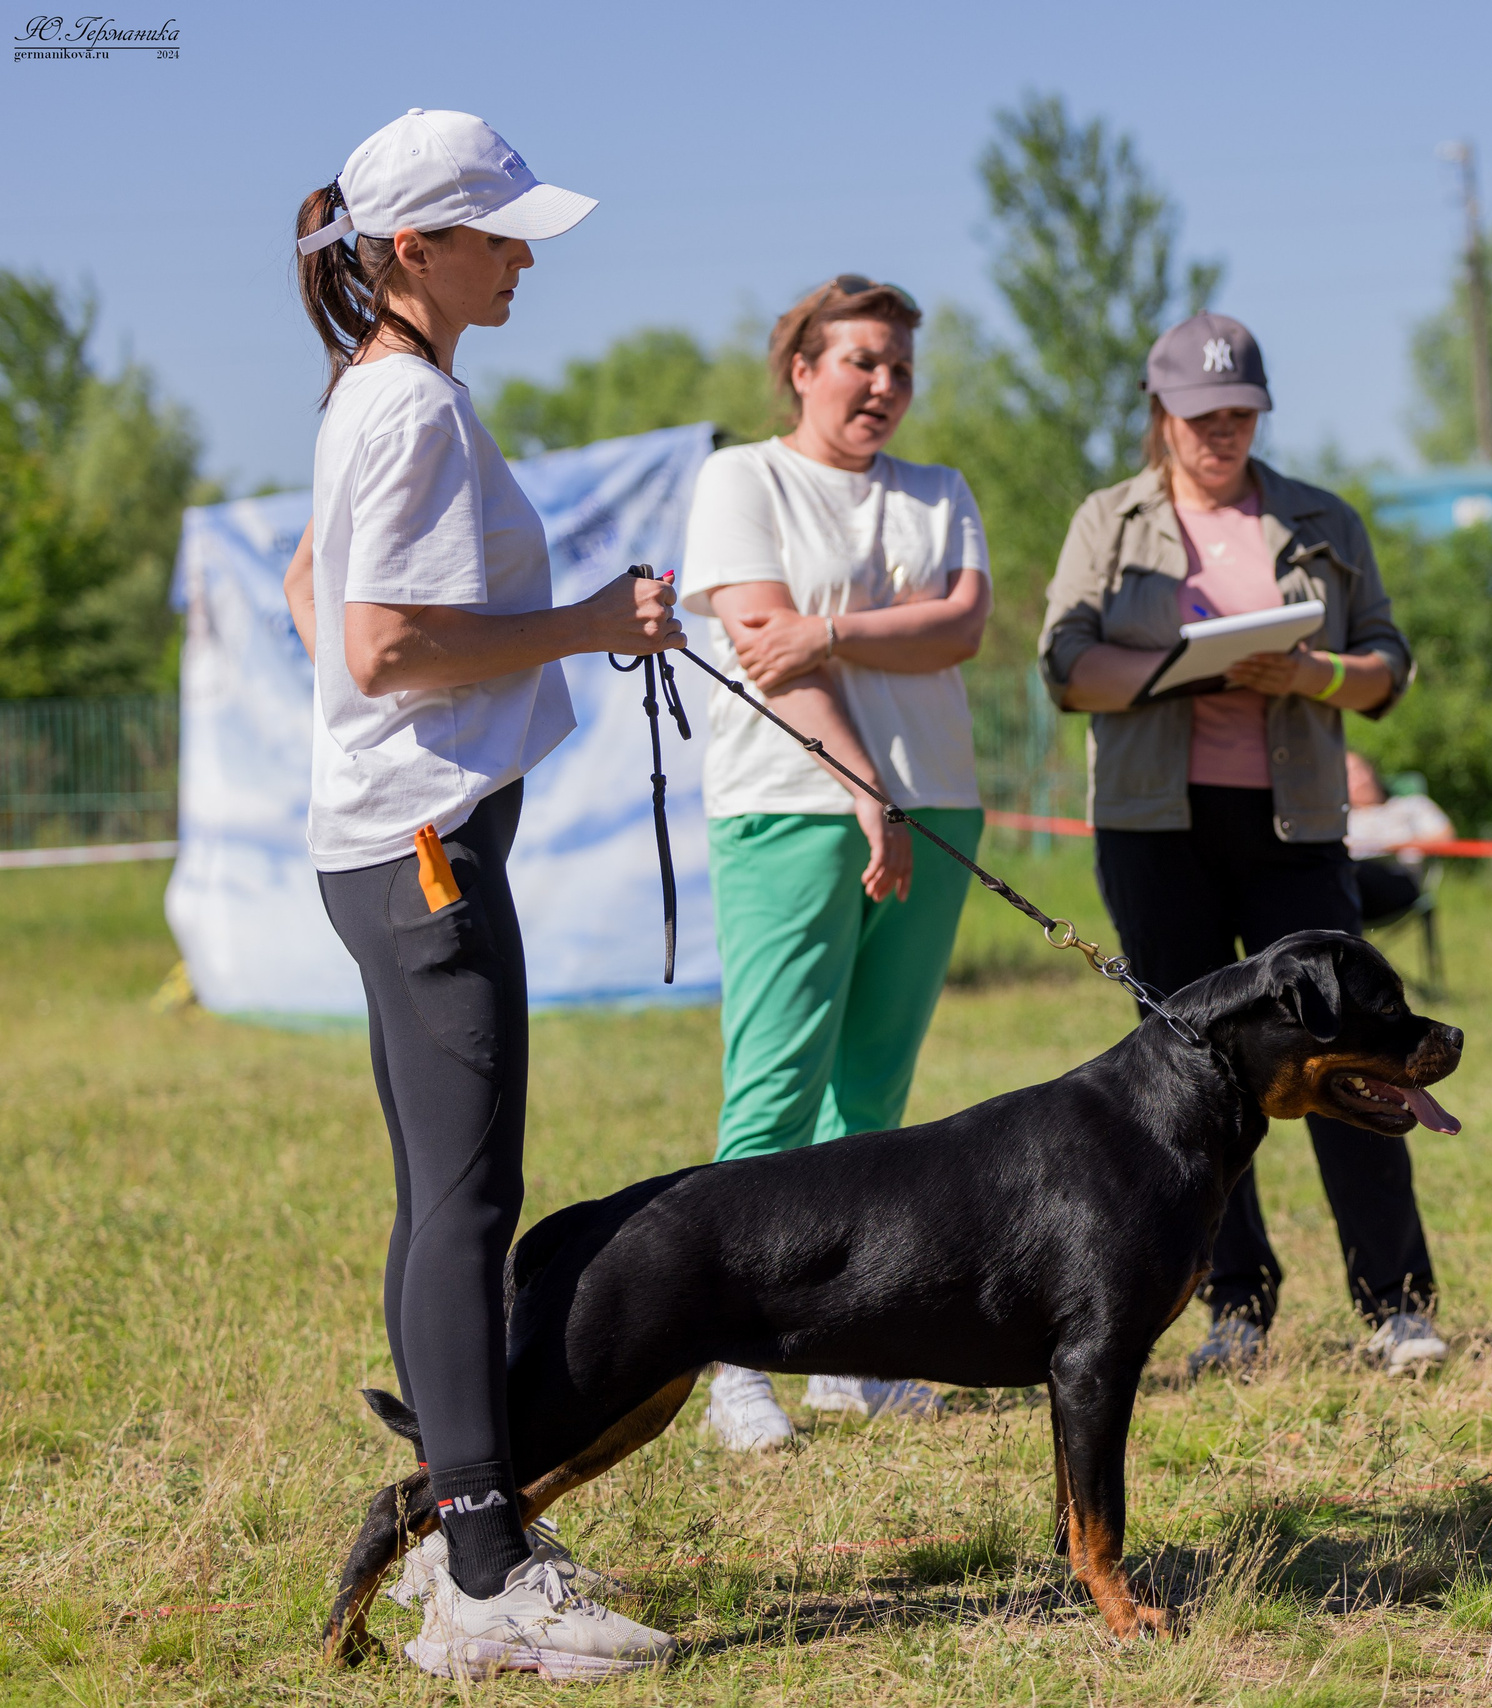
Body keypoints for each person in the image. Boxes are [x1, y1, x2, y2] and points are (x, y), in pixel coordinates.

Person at [281, 109, 679, 1675]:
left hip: (393, 845)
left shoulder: (383, 391)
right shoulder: (409, 412)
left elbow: (321, 596)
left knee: (445, 1202)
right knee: (468, 1207)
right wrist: (583, 621)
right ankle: (487, 1569)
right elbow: (374, 643)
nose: (524, 257)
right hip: (424, 852)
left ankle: (475, 1537)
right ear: (413, 249)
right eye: (501, 232)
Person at [1038, 311, 1446, 1378]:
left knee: (1349, 1052)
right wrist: (1183, 669)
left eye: (1240, 414)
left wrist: (1309, 675)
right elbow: (1065, 666)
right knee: (1187, 1079)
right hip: (1152, 826)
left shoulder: (1323, 518)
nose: (1222, 432)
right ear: (1159, 416)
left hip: (1293, 826)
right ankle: (1234, 1306)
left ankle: (1396, 1306)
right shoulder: (1106, 520)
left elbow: (1388, 668)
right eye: (1200, 415)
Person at [677, 275, 992, 1450]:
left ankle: (853, 1351)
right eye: (861, 360)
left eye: (902, 366)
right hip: (791, 809)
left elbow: (960, 626)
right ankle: (732, 1359)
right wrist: (865, 784)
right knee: (771, 1091)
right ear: (801, 366)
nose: (884, 386)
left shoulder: (939, 491)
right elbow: (770, 650)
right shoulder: (741, 481)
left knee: (872, 1102)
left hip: (940, 806)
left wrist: (838, 626)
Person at [1343, 750, 1452, 921]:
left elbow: (1445, 837)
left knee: (1342, 877)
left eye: (1360, 770)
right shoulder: (1338, 819)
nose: (1360, 780)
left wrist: (1393, 846)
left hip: (1397, 881)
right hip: (1347, 882)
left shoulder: (1410, 805)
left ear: (1372, 770)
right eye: (1348, 775)